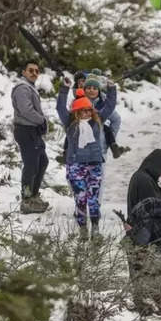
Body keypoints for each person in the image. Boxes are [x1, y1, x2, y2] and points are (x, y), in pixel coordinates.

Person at [56, 81, 115, 234]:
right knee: (80, 199)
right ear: (77, 112)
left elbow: (109, 106)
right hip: (76, 166)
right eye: (83, 111)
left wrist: (111, 88)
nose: (87, 113)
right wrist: (64, 89)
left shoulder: (96, 122)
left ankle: (95, 227)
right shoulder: (70, 124)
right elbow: (60, 108)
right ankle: (82, 227)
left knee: (93, 199)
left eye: (89, 110)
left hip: (94, 165)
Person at [11, 60, 50, 214]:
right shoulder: (22, 88)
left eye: (36, 71)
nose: (34, 73)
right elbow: (26, 110)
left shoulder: (30, 88)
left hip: (32, 131)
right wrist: (42, 120)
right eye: (30, 70)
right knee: (31, 164)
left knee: (42, 162)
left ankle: (33, 196)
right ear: (24, 72)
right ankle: (27, 200)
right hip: (25, 130)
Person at [83, 71, 129, 158]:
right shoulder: (79, 102)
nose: (91, 90)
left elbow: (111, 108)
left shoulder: (102, 100)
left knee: (106, 129)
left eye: (94, 88)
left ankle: (113, 144)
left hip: (99, 130)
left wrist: (106, 142)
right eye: (89, 88)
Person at [126, 149, 161, 215]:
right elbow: (153, 209)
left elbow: (152, 201)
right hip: (142, 224)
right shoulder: (144, 180)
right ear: (156, 166)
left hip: (139, 222)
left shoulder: (142, 176)